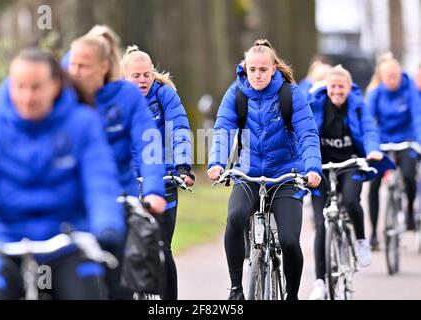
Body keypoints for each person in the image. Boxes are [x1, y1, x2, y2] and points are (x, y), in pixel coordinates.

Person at [0, 49, 126, 299]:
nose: (27, 97)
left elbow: (100, 182)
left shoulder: (82, 123)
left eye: (36, 87)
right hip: (7, 241)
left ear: (54, 86)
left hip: (68, 242)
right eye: (20, 87)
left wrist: (107, 224)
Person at [207, 39, 322, 300]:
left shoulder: (291, 94)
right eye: (252, 70)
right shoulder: (235, 93)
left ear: (273, 69)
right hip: (247, 174)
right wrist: (216, 163)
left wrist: (312, 167)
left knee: (291, 241)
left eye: (263, 70)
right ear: (245, 69)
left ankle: (291, 295)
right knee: (235, 218)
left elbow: (307, 134)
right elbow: (223, 130)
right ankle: (236, 288)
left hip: (285, 175)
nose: (257, 75)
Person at [66, 25, 167, 299]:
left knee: (119, 280)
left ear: (105, 63)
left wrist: (155, 189)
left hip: (120, 193)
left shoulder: (127, 97)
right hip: (73, 198)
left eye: (84, 64)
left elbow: (148, 142)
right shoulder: (64, 94)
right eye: (74, 63)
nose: (76, 71)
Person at [307, 65, 393, 300]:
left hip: (350, 163)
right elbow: (303, 131)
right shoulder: (315, 103)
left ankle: (362, 241)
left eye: (341, 87)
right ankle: (319, 283)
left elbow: (369, 130)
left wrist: (373, 150)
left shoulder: (357, 105)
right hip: (320, 167)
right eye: (332, 86)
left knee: (351, 201)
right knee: (321, 224)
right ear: (327, 87)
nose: (336, 91)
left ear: (348, 87)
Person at [123, 45, 194, 300]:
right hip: (128, 180)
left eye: (147, 74)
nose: (143, 80)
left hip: (164, 178)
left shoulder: (165, 96)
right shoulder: (116, 100)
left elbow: (180, 131)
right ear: (124, 76)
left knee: (163, 248)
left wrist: (183, 166)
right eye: (136, 75)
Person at [366, 54, 421, 249]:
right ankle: (373, 233)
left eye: (396, 76)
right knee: (373, 182)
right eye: (388, 77)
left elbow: (417, 117)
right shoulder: (375, 93)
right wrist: (371, 147)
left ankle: (409, 211)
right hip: (382, 142)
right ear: (382, 77)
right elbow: (369, 122)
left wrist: (419, 141)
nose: (393, 80)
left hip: (406, 141)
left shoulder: (410, 91)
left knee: (408, 174)